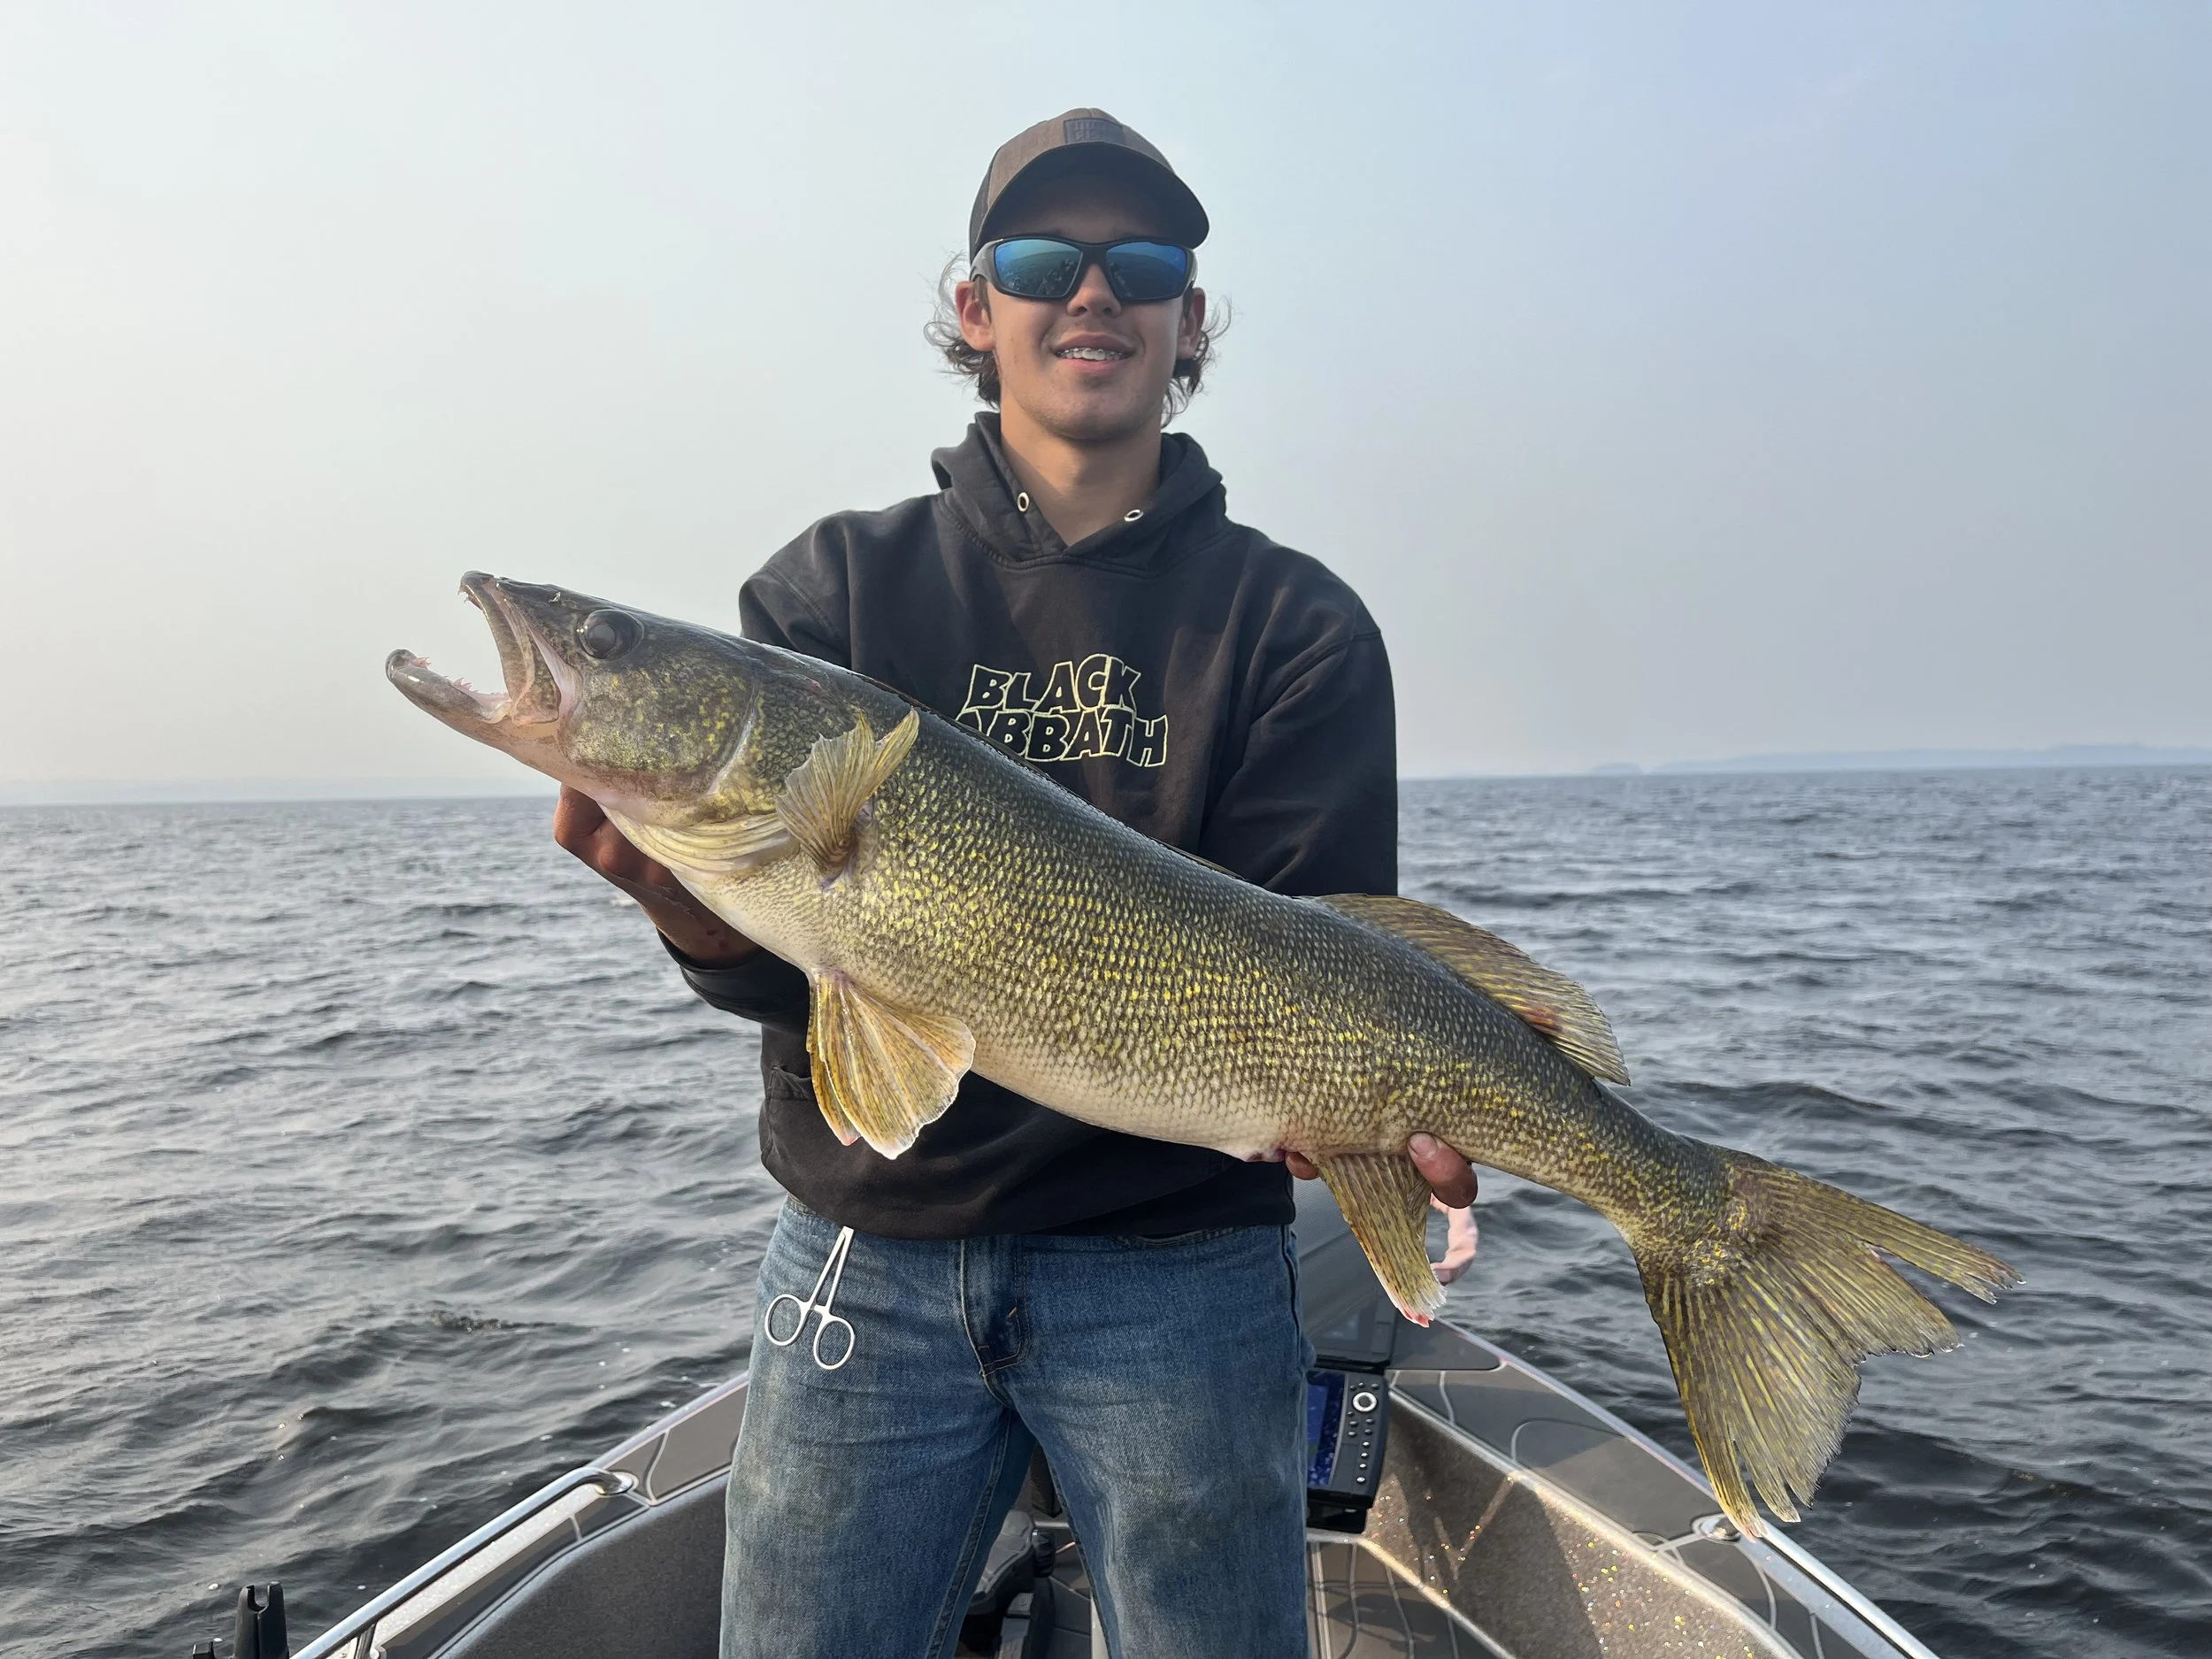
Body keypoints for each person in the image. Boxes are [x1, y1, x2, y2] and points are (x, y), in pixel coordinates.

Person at [552, 109, 1480, 1659]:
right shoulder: (827, 594)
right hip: (871, 1254)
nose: (1095, 293)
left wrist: (1382, 1122)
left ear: (1189, 319)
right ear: (978, 312)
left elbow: (1326, 956)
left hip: (1178, 1267)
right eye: (1046, 259)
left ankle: (1719, 1240)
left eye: (1147, 262)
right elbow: (785, 976)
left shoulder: (1295, 625)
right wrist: (681, 901)